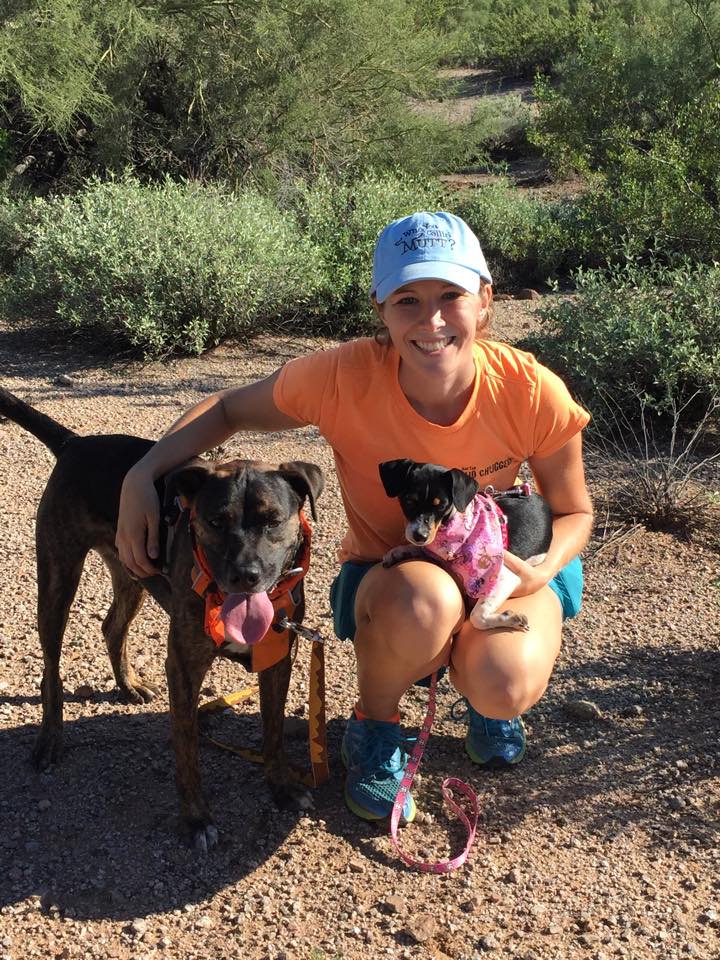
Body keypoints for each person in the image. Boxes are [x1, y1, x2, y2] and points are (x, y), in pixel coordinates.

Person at [116, 211, 593, 824]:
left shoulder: (529, 390)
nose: (432, 320)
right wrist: (141, 474)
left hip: (504, 571)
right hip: (397, 579)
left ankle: (482, 696)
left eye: (451, 295)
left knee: (503, 682)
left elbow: (577, 510)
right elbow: (228, 408)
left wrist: (540, 569)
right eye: (408, 299)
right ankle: (375, 727)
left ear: (485, 299)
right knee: (423, 605)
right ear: (380, 308)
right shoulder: (343, 376)